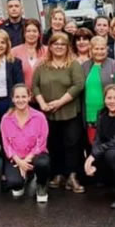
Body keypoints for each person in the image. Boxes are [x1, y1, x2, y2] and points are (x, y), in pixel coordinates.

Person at [33, 32, 85, 192]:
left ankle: (72, 176)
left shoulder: (73, 64)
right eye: (56, 44)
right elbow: (35, 86)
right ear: (50, 46)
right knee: (54, 145)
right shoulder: (42, 65)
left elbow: (78, 85)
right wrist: (41, 102)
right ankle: (57, 174)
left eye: (63, 44)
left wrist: (60, 102)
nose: (59, 47)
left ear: (68, 46)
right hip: (48, 112)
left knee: (72, 144)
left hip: (69, 111)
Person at [0, 84, 51, 202]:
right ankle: (24, 179)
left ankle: (41, 184)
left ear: (29, 97)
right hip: (16, 158)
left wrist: (26, 160)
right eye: (17, 97)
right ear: (12, 99)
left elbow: (41, 143)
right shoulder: (6, 119)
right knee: (14, 183)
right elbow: (6, 145)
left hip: (35, 156)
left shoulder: (40, 117)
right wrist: (19, 161)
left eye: (24, 96)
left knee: (43, 164)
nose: (20, 100)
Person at [82, 36, 115, 140]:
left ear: (107, 49)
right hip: (89, 115)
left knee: (109, 146)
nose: (99, 52)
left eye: (102, 48)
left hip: (111, 114)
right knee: (92, 146)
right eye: (96, 49)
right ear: (90, 50)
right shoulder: (84, 66)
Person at [11, 19, 47, 91]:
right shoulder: (14, 51)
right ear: (24, 34)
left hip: (45, 96)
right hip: (23, 98)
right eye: (28, 31)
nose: (31, 34)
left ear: (39, 34)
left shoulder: (47, 51)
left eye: (34, 31)